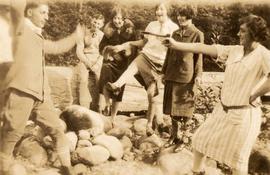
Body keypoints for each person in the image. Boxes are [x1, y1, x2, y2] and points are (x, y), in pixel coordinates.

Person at [162, 14, 270, 175]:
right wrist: (176, 45)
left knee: (238, 161)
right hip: (222, 111)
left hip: (244, 116)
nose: (238, 34)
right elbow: (202, 47)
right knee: (200, 140)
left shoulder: (263, 55)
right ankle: (197, 172)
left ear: (254, 34)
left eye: (243, 31)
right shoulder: (235, 50)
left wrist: (255, 94)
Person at [0, 1, 82, 174]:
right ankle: (4, 168)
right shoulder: (19, 27)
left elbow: (57, 47)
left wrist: (76, 36)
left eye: (48, 13)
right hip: (21, 91)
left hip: (41, 95)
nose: (47, 17)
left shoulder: (39, 35)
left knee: (57, 130)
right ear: (29, 12)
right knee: (11, 134)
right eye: (43, 12)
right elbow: (15, 6)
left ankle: (67, 169)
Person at [106, 2, 178, 135]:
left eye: (161, 9)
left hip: (160, 65)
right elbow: (144, 42)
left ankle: (150, 125)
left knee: (152, 96)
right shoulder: (152, 25)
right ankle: (117, 85)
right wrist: (127, 43)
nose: (158, 12)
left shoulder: (174, 28)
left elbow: (177, 49)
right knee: (134, 65)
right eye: (157, 9)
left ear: (167, 11)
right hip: (146, 56)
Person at [162, 6, 204, 150]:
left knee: (185, 111)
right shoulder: (174, 33)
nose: (180, 18)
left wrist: (198, 75)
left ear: (191, 16)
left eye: (184, 15)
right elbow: (169, 54)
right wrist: (163, 72)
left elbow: (199, 58)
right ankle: (174, 137)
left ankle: (184, 140)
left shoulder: (197, 34)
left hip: (186, 77)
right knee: (172, 109)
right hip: (171, 75)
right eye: (179, 15)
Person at [98, 6, 137, 125]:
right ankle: (107, 104)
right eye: (115, 18)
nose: (117, 21)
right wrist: (108, 53)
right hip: (110, 61)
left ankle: (113, 118)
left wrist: (128, 51)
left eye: (119, 18)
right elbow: (101, 47)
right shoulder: (109, 30)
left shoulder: (130, 30)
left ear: (124, 19)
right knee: (105, 76)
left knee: (118, 91)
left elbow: (135, 46)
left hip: (123, 64)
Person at [75, 13, 104, 111]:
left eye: (99, 24)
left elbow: (103, 53)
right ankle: (78, 107)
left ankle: (96, 107)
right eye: (95, 22)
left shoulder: (102, 35)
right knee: (82, 79)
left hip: (97, 60)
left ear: (102, 25)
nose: (96, 25)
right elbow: (79, 51)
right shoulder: (83, 33)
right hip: (85, 59)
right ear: (91, 21)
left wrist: (96, 64)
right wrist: (87, 63)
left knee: (98, 80)